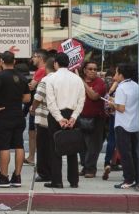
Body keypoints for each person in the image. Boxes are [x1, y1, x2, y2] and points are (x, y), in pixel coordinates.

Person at [0, 51, 30, 188]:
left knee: (4, 146)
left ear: (2, 62)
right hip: (18, 114)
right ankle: (17, 176)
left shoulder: (0, 76)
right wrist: (16, 99)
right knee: (19, 145)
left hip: (3, 114)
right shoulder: (21, 76)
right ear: (14, 61)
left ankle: (3, 177)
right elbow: (28, 98)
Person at [44, 52, 85, 189]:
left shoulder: (51, 79)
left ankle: (57, 181)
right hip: (73, 115)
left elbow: (50, 102)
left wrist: (60, 119)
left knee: (55, 149)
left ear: (56, 63)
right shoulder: (77, 79)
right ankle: (74, 181)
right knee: (73, 148)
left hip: (57, 115)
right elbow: (81, 100)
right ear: (68, 64)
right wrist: (73, 117)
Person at [109, 63, 139, 189]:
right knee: (134, 153)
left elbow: (121, 108)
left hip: (122, 124)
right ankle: (137, 177)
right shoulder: (136, 85)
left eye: (116, 72)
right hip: (134, 124)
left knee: (125, 153)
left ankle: (128, 179)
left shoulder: (121, 88)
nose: (115, 75)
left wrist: (112, 103)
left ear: (121, 74)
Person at [29, 57, 56, 182]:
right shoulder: (60, 80)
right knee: (52, 147)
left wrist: (33, 108)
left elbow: (38, 97)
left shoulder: (46, 80)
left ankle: (44, 173)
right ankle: (53, 171)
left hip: (44, 118)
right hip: (57, 117)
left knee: (43, 147)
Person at [79, 61, 107, 178]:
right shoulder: (78, 81)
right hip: (81, 117)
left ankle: (91, 169)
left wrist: (83, 83)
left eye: (95, 69)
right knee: (82, 145)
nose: (93, 71)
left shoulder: (100, 82)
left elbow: (94, 96)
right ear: (84, 70)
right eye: (90, 69)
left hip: (97, 118)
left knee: (94, 145)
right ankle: (85, 167)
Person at [23, 49, 48, 166]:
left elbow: (31, 87)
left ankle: (32, 156)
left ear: (41, 58)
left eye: (34, 56)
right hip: (42, 104)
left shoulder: (40, 71)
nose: (32, 59)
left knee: (33, 133)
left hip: (37, 104)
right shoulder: (44, 70)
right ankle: (32, 156)